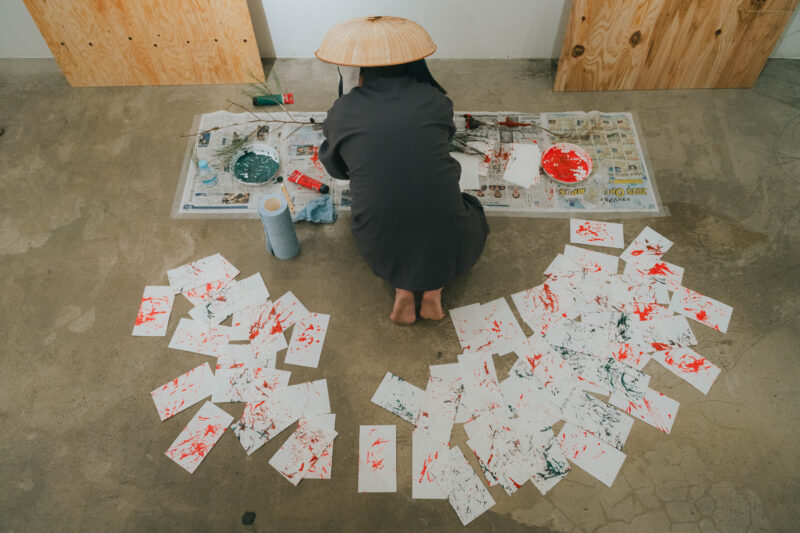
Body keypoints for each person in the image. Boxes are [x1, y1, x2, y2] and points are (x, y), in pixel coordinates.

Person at [316, 16, 489, 324]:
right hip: (450, 238)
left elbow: (338, 170)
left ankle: (403, 291)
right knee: (466, 209)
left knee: (393, 226)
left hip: (380, 244)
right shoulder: (436, 101)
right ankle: (433, 292)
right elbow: (443, 140)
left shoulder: (342, 111)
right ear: (415, 64)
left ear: (359, 71)